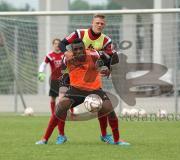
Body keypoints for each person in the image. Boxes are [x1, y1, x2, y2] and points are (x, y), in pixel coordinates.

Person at [36, 39, 130, 145]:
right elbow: (64, 75)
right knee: (60, 108)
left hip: (95, 90)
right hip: (75, 90)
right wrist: (63, 91)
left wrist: (109, 69)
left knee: (109, 109)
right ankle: (45, 139)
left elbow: (113, 57)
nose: (79, 51)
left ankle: (116, 140)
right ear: (72, 50)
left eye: (81, 48)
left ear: (84, 47)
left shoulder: (94, 53)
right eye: (75, 49)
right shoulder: (67, 58)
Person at [58, 13, 120, 144]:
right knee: (61, 106)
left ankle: (105, 135)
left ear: (105, 25)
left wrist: (109, 69)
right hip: (71, 76)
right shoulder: (79, 33)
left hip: (91, 80)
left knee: (102, 106)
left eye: (102, 23)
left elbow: (110, 56)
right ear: (92, 22)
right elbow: (62, 43)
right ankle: (60, 135)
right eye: (97, 22)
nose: (99, 25)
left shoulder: (106, 41)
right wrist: (66, 52)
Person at [38, 38, 66, 139]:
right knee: (53, 98)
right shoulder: (50, 55)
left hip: (63, 80)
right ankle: (53, 114)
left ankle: (67, 112)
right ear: (52, 45)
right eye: (55, 44)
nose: (57, 45)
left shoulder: (64, 55)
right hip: (54, 80)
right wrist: (41, 73)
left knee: (62, 100)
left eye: (58, 44)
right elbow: (43, 65)